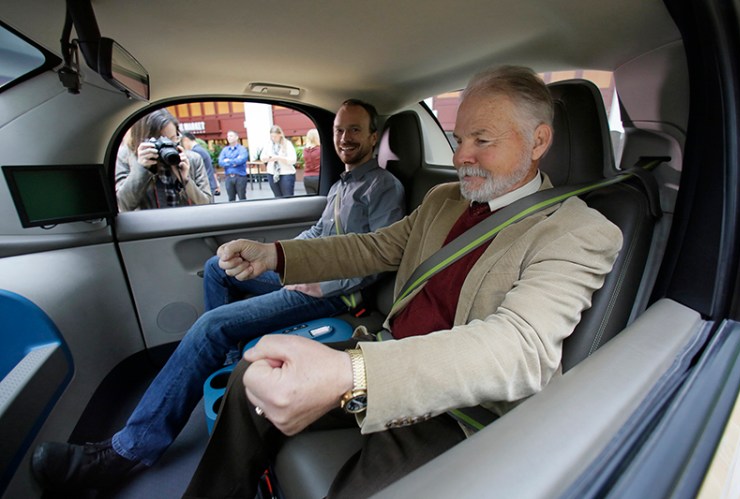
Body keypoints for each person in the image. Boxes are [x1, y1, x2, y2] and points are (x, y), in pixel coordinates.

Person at [180, 65, 625, 498]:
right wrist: (276, 255)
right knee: (250, 376)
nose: (460, 156)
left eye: (481, 140)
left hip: (455, 410)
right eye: (458, 139)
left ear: (538, 141)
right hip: (383, 352)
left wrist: (352, 374)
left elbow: (521, 347)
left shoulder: (578, 232)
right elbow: (369, 248)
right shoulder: (444, 199)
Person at [30, 98, 406, 492]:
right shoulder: (343, 184)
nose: (344, 138)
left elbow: (377, 259)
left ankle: (127, 450)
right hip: (310, 278)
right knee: (217, 268)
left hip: (337, 294)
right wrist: (283, 260)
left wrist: (317, 282)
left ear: (374, 136)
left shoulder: (384, 188)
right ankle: (227, 368)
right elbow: (318, 236)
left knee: (212, 325)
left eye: (355, 130)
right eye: (339, 130)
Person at [115, 109, 212, 211]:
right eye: (160, 141)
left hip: (187, 224)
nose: (167, 145)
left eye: (173, 138)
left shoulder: (192, 159)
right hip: (150, 225)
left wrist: (186, 180)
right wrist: (142, 170)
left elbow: (206, 204)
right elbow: (122, 206)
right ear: (143, 139)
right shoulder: (126, 157)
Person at [260, 125, 297, 197]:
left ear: (280, 135)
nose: (273, 138)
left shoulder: (287, 144)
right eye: (272, 136)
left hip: (286, 173)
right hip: (272, 173)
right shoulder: (268, 144)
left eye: (275, 136)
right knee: (277, 196)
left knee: (287, 196)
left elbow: (293, 160)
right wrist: (268, 158)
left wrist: (279, 158)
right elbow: (262, 157)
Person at [182, 132, 221, 197]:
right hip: (208, 184)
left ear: (186, 140)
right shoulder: (201, 149)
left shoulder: (195, 152)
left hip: (204, 185)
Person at [218, 130, 249, 201]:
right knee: (231, 198)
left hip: (240, 176)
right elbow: (221, 162)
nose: (229, 138)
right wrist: (234, 161)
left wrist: (228, 160)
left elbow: (241, 160)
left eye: (231, 136)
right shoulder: (225, 150)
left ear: (236, 137)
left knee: (242, 197)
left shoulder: (242, 149)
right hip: (228, 177)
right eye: (228, 136)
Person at [302, 128, 321, 194]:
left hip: (307, 177)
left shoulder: (305, 150)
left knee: (312, 199)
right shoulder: (320, 150)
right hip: (318, 177)